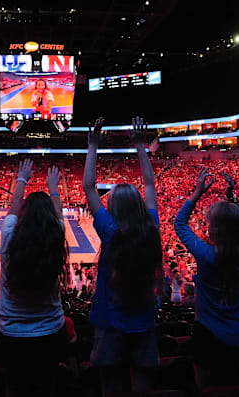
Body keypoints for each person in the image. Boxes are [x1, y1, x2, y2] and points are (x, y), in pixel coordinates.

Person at [83, 117, 163, 395]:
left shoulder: (110, 231)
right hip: (143, 320)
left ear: (114, 207)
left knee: (111, 387)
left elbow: (89, 188)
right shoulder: (151, 229)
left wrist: (93, 145)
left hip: (110, 321)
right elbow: (151, 186)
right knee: (142, 387)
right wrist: (141, 146)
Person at [174, 168, 239, 387]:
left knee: (206, 388)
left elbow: (180, 224)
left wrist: (197, 193)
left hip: (208, 332)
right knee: (233, 387)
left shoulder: (206, 255)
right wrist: (232, 199)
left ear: (214, 229)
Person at [0, 160, 68, 397]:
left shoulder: (8, 235)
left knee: (14, 387)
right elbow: (58, 214)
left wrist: (21, 179)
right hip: (50, 331)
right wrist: (54, 188)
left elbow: (13, 210)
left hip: (12, 333)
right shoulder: (57, 236)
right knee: (46, 386)